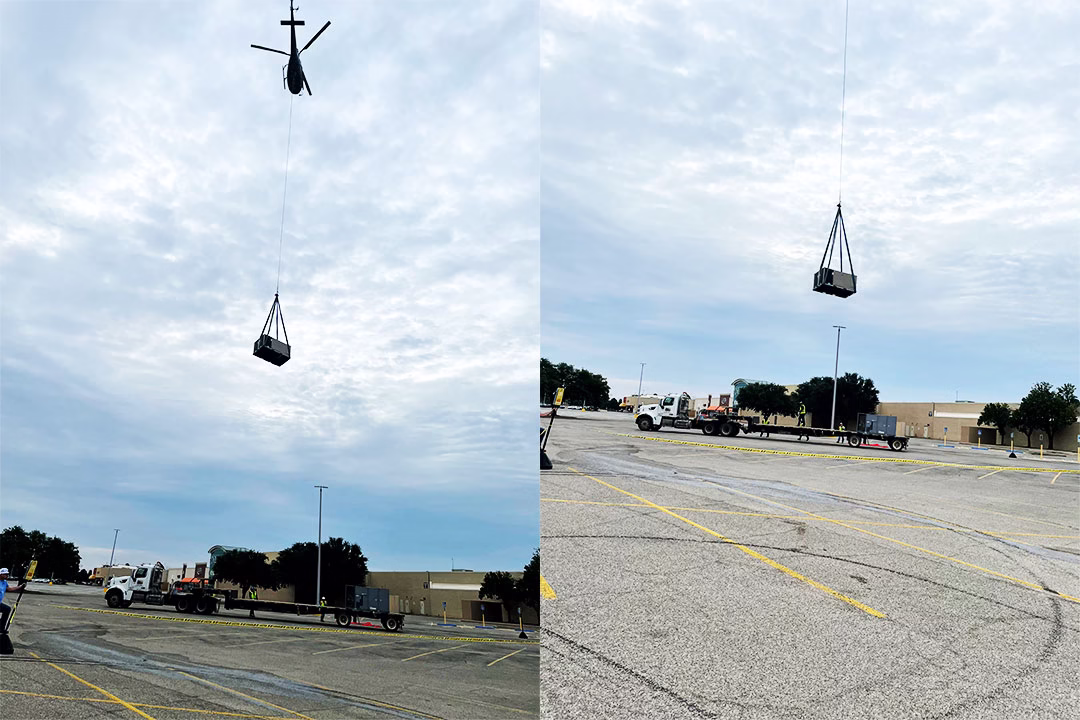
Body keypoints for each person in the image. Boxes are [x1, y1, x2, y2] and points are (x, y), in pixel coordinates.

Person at [1, 568, 27, 634]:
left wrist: (20, 587)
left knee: (7, 609)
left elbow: (9, 589)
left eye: (7, 574)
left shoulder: (4, 582)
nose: (7, 576)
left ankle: (1, 627)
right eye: (5, 574)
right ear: (1, 574)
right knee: (6, 609)